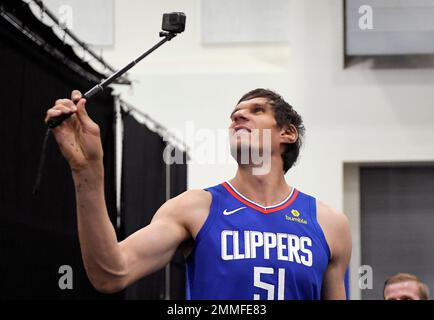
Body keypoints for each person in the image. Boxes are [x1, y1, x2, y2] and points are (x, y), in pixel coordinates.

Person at [45, 88, 351, 300]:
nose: (238, 118)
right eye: (234, 115)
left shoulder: (329, 224)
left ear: (288, 133)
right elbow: (111, 274)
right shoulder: (195, 208)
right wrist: (87, 171)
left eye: (256, 110)